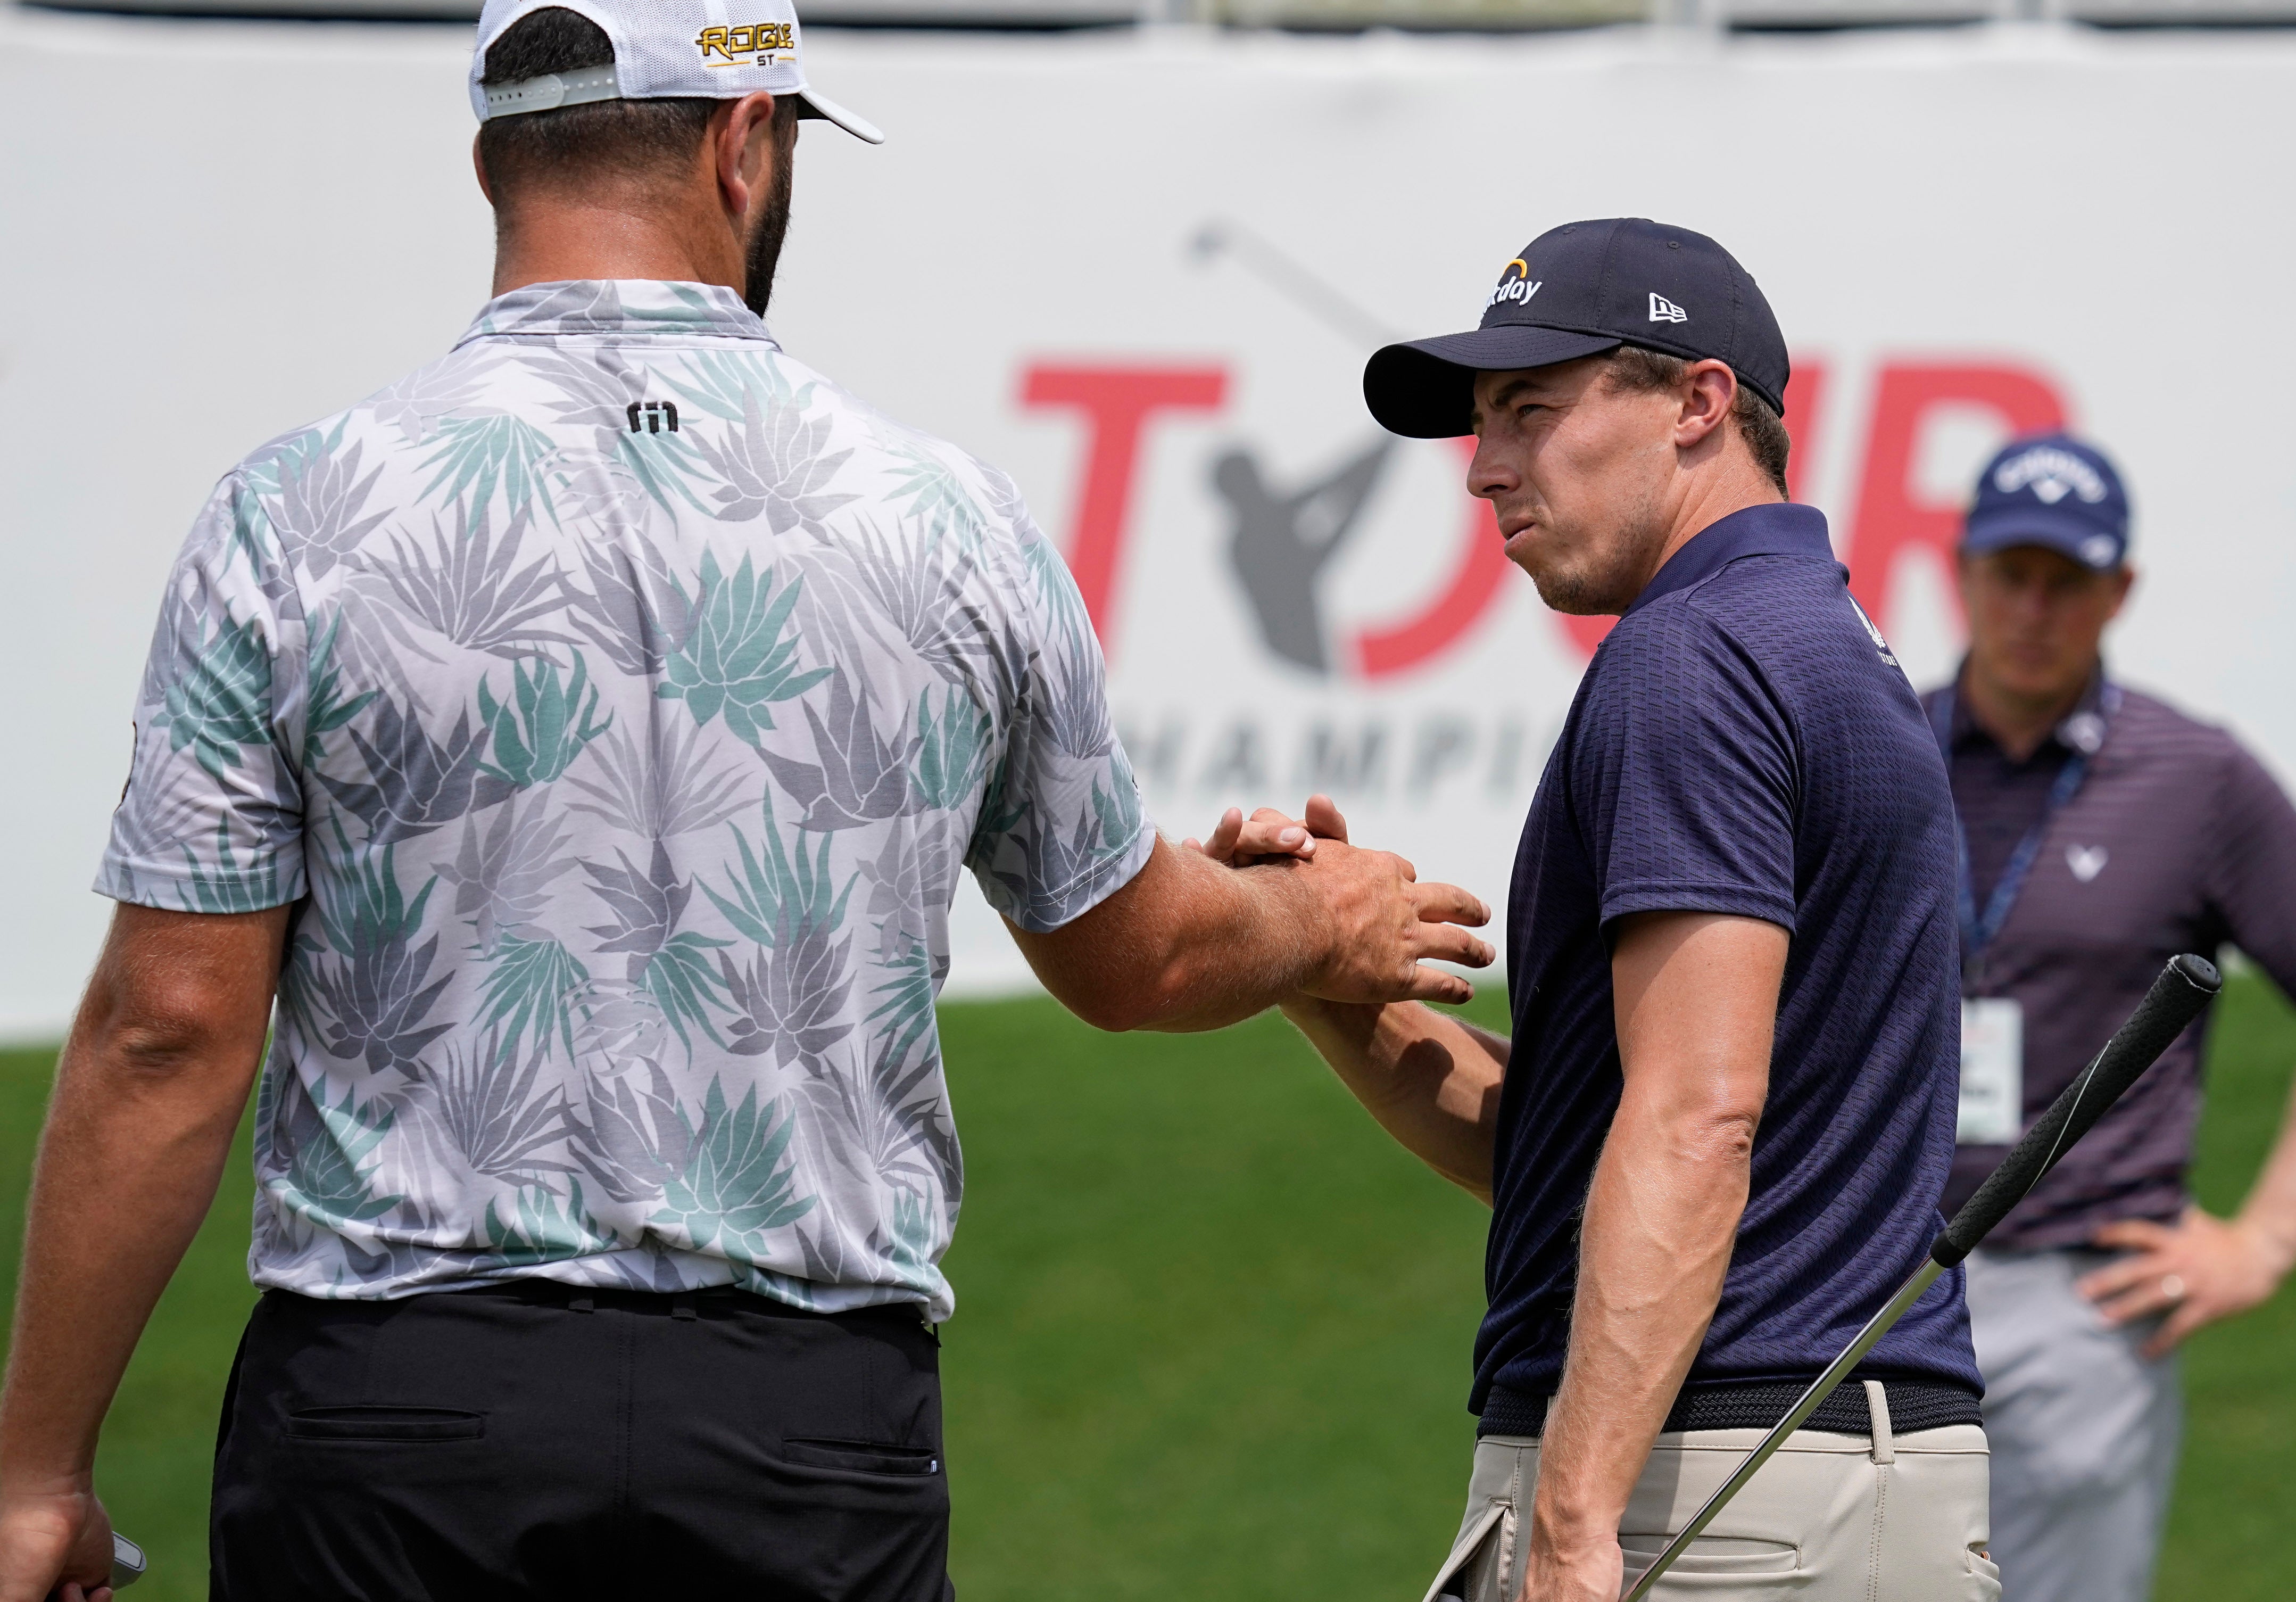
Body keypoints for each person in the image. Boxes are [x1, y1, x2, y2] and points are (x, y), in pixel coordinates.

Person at [0, 4, 1494, 1597]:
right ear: (744, 141)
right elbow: (1139, 958)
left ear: (493, 160)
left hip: (397, 1411)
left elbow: (169, 1027)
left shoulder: (292, 515)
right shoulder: (945, 524)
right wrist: (1320, 917)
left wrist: (36, 1475)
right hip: (805, 1429)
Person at [1228, 219, 1994, 1601]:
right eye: (1478, 423)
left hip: (1713, 1491)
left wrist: (1577, 1526)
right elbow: (1575, 1149)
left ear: (1699, 404)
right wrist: (1321, 971)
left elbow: (1695, 1123)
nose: (1484, 468)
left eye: (1530, 408)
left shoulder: (1688, 661)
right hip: (1814, 1480)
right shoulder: (1817, 641)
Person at [1928, 432, 2296, 1602]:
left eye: (2067, 579)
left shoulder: (2193, 775)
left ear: (2118, 590)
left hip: (2082, 1297)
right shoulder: (1872, 746)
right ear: (1961, 571)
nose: (2033, 607)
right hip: (1876, 1276)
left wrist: (2267, 1238)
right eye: (2010, 572)